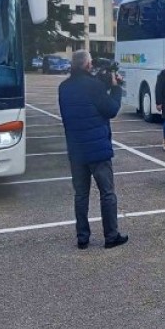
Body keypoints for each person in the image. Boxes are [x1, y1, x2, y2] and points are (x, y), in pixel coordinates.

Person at [58, 50, 128, 250]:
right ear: (88, 65)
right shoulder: (94, 86)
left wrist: (103, 83)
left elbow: (84, 99)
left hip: (76, 149)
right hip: (97, 149)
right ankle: (111, 235)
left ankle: (82, 237)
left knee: (81, 195)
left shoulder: (64, 87)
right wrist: (115, 87)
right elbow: (111, 109)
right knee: (107, 193)